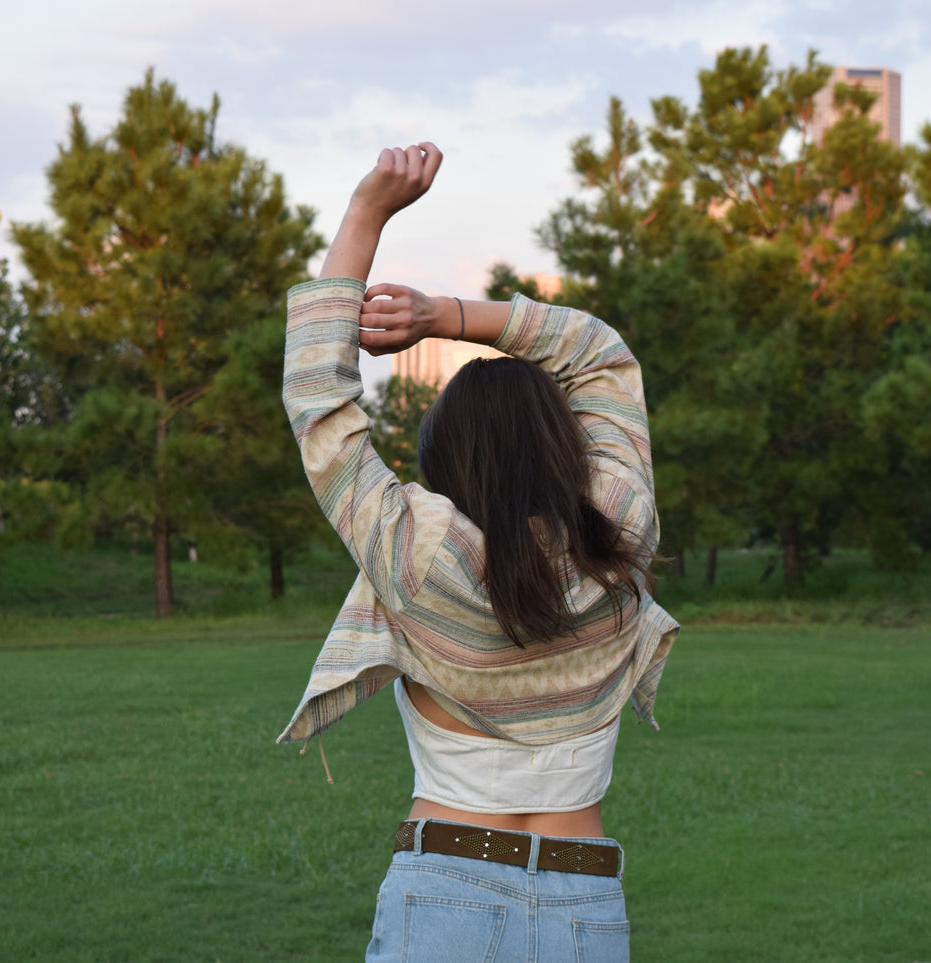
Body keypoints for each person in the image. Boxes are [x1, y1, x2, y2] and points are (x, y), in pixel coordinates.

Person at [277, 142, 679, 962]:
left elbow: (319, 398)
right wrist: (447, 317)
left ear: (447, 461)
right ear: (566, 445)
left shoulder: (418, 553)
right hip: (585, 899)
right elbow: (598, 351)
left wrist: (365, 215)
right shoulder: (621, 533)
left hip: (444, 894)